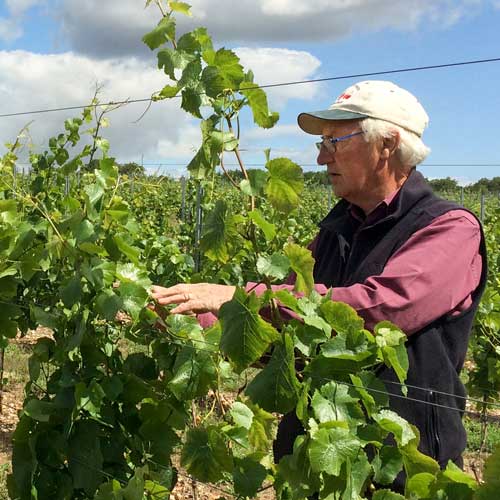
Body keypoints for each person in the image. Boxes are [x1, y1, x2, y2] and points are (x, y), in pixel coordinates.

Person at [151, 80, 487, 490]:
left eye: (335, 140)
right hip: (315, 461)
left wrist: (234, 298)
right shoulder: (332, 233)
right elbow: (288, 330)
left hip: (400, 470)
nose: (320, 154)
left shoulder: (449, 228)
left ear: (387, 144)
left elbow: (380, 308)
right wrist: (190, 319)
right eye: (322, 141)